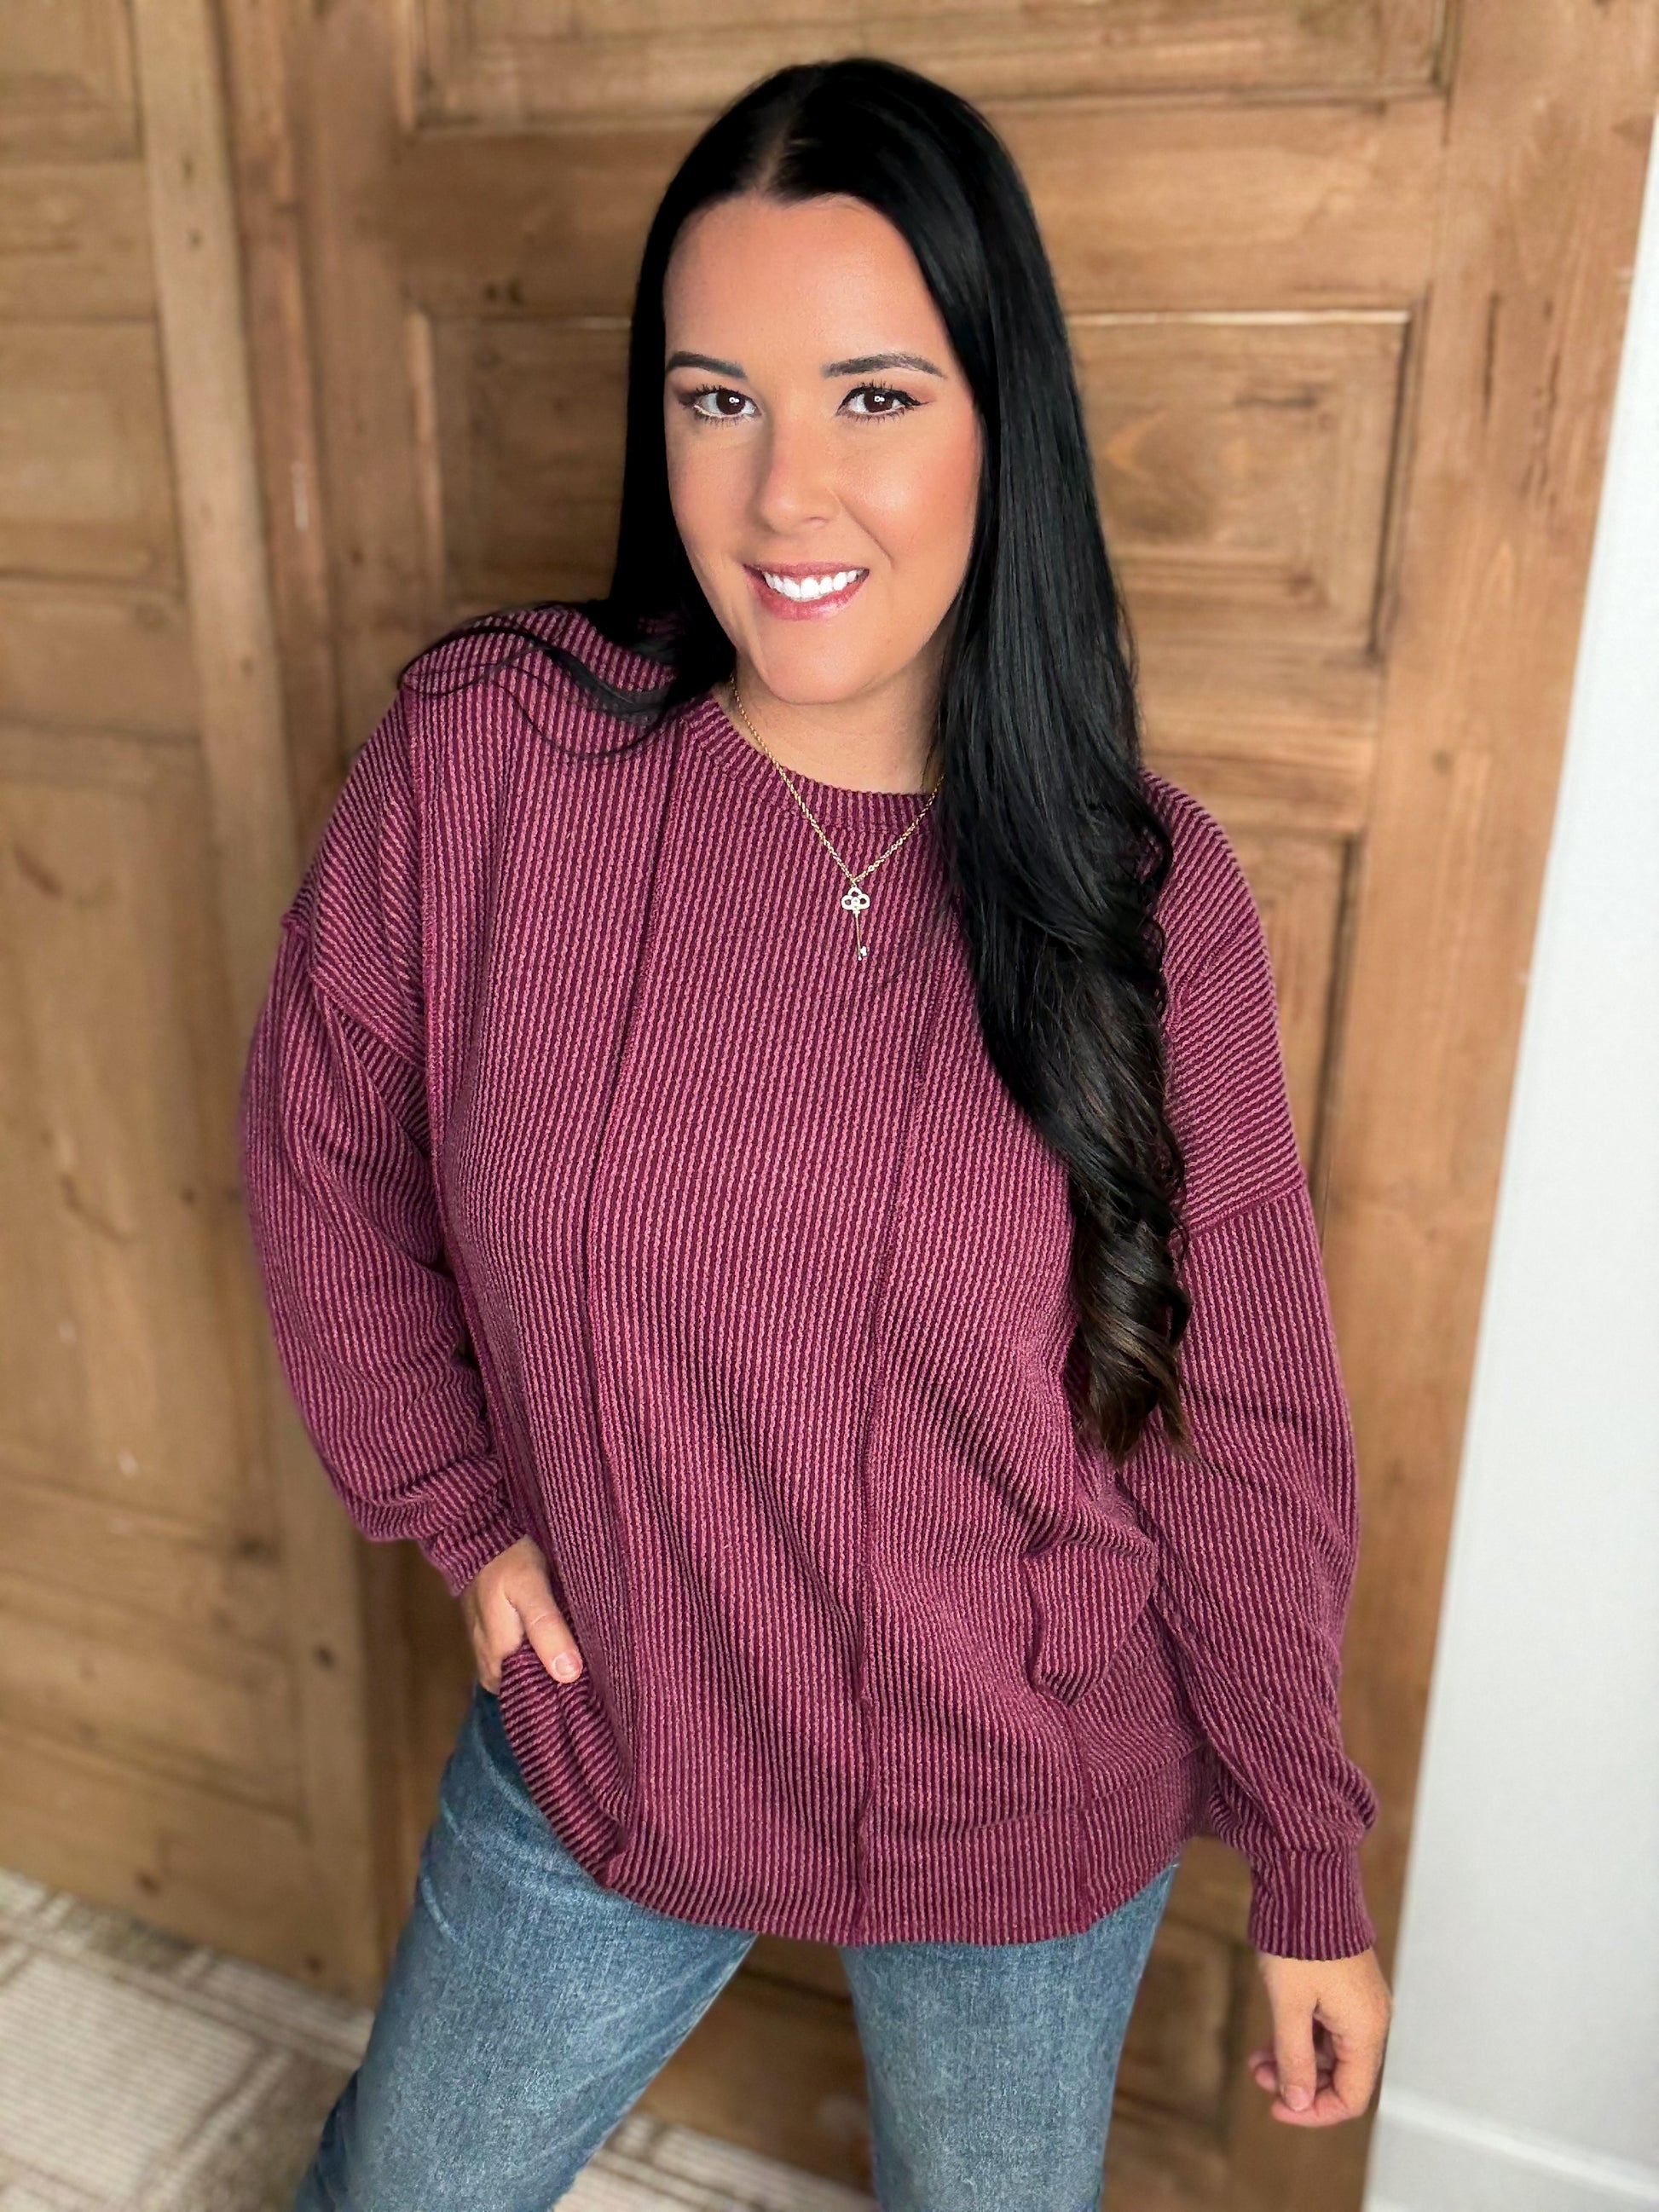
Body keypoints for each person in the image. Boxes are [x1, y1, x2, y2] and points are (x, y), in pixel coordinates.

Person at [240, 53, 1392, 2212]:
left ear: (999, 419)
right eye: (716, 398)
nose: (784, 493)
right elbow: (323, 1156)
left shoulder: (1145, 896)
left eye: (872, 395)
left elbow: (1229, 1402)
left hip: (1021, 1788)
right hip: (612, 1728)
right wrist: (462, 1505)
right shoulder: (493, 764)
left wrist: (1308, 1852)